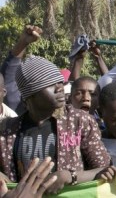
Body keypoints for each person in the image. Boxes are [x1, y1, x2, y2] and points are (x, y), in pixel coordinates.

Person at [0, 56, 110, 194]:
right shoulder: (6, 131)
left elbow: (106, 170)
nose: (60, 88)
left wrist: (69, 176)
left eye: (60, 82)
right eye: (50, 83)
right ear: (29, 96)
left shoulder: (79, 121)